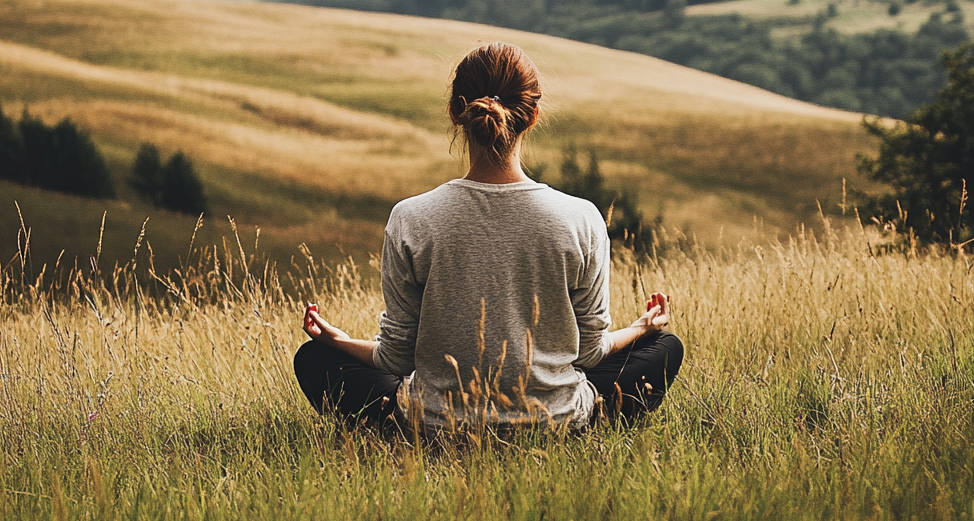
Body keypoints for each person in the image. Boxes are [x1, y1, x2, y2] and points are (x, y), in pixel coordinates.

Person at [293, 42, 684, 431]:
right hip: (555, 421)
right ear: (532, 115)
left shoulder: (410, 218)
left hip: (435, 426)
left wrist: (339, 341)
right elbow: (590, 353)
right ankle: (583, 417)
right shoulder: (581, 218)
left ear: (454, 112)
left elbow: (396, 360)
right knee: (664, 348)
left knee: (313, 359)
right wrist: (642, 328)